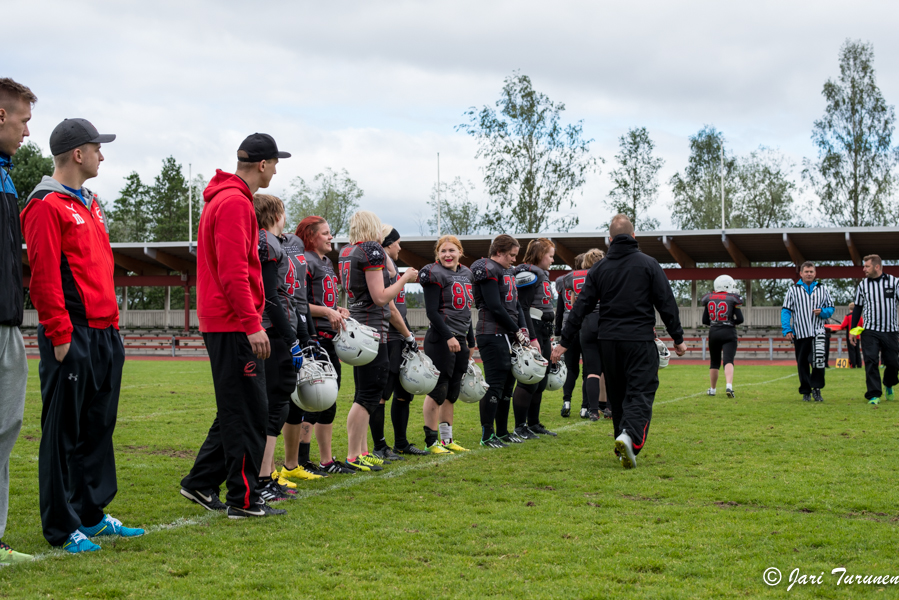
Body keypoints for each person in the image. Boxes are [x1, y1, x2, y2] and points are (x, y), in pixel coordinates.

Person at [22, 118, 144, 552]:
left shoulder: (89, 202)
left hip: (105, 332)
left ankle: (90, 514)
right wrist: (58, 334)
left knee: (97, 427)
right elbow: (43, 277)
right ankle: (60, 526)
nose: (102, 155)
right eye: (97, 148)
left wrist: (111, 328)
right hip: (71, 333)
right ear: (78, 153)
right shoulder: (44, 204)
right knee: (62, 434)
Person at [180, 133, 289, 519]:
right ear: (262, 165)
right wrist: (251, 323)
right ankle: (243, 500)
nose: (276, 169)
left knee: (236, 406)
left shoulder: (227, 198)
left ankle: (200, 481)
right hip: (232, 323)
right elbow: (232, 271)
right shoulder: (233, 203)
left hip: (225, 321)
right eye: (275, 163)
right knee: (248, 411)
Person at [552, 214, 686, 470]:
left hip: (608, 341)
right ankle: (630, 438)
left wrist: (565, 341)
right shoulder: (649, 264)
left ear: (610, 240)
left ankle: (621, 442)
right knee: (641, 391)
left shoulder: (599, 269)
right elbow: (666, 302)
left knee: (618, 393)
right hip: (638, 339)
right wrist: (677, 338)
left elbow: (581, 306)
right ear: (634, 237)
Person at [253, 194, 321, 504]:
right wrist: (291, 338)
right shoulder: (267, 241)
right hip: (273, 330)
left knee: (277, 406)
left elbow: (289, 298)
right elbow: (271, 296)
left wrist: (301, 333)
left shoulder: (275, 242)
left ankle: (264, 476)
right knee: (273, 407)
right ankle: (261, 477)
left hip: (282, 328)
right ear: (275, 213)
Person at [338, 211, 417, 471]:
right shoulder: (371, 249)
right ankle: (353, 455)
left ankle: (360, 450)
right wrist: (405, 279)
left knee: (364, 394)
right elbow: (381, 297)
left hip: (359, 327)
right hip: (372, 331)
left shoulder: (349, 250)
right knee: (369, 395)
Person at [285, 216, 356, 475]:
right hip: (314, 338)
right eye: (325, 233)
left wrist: (334, 309)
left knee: (327, 400)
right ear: (311, 235)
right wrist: (327, 312)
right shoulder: (304, 260)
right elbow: (299, 302)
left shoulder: (326, 262)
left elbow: (318, 300)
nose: (330, 238)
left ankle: (322, 460)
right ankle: (305, 460)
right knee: (315, 399)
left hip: (328, 338)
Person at [0, 78, 35, 565]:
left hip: (7, 322)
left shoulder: (5, 176)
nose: (28, 130)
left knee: (6, 429)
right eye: (24, 119)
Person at [471, 235, 530, 448]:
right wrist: (516, 330)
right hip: (492, 332)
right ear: (498, 252)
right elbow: (495, 306)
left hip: (507, 334)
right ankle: (488, 434)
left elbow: (516, 306)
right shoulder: (487, 267)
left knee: (507, 386)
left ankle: (503, 431)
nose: (514, 259)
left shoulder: (508, 271)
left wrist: (521, 329)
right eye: (511, 255)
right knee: (495, 385)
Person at [419, 235, 476, 454]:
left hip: (460, 337)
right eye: (443, 251)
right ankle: (431, 441)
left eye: (452, 250)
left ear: (460, 252)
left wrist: (469, 339)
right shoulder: (433, 273)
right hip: (441, 338)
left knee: (452, 391)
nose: (447, 255)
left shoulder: (466, 273)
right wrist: (450, 336)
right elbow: (432, 312)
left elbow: (466, 312)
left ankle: (446, 439)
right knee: (438, 389)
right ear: (437, 254)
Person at [371, 225, 416, 461]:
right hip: (389, 335)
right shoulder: (380, 266)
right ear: (389, 243)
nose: (400, 246)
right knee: (382, 393)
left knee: (403, 392)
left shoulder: (392, 266)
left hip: (398, 335)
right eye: (398, 242)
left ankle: (400, 443)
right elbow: (390, 308)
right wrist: (409, 335)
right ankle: (380, 446)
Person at [512, 238, 558, 438]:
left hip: (544, 330)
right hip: (534, 329)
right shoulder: (528, 274)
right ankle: (520, 426)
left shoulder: (541, 274)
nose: (553, 259)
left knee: (540, 379)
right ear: (540, 255)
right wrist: (531, 337)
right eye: (550, 255)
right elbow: (523, 306)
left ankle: (534, 423)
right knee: (529, 378)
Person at [781, 262, 834, 403]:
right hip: (800, 332)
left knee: (818, 362)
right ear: (801, 273)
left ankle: (817, 389)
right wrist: (787, 329)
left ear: (815, 273)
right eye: (806, 271)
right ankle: (806, 391)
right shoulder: (793, 290)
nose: (809, 274)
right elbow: (786, 310)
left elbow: (831, 308)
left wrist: (822, 312)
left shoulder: (823, 289)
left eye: (811, 271)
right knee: (802, 362)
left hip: (818, 332)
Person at [849, 255, 898, 405]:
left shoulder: (894, 282)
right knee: (870, 361)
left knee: (893, 363)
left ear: (877, 267)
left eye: (867, 266)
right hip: (870, 330)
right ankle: (874, 394)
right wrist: (853, 330)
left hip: (890, 330)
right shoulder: (863, 285)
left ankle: (888, 383)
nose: (864, 269)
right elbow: (858, 308)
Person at [575, 249, 608, 421]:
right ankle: (609, 407)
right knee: (609, 369)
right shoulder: (607, 274)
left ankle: (593, 410)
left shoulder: (576, 278)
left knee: (592, 371)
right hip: (605, 321)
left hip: (586, 323)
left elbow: (576, 304)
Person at [700, 275, 744, 398]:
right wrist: (729, 323)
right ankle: (729, 385)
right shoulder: (733, 298)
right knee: (728, 360)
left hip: (714, 332)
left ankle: (713, 389)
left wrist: (716, 324)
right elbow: (740, 319)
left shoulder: (709, 298)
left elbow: (704, 320)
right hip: (729, 332)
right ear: (726, 285)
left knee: (714, 362)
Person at [554, 253, 585, 418]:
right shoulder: (591, 278)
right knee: (589, 369)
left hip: (569, 328)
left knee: (571, 369)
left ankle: (566, 401)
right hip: (586, 327)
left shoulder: (563, 280)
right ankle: (586, 407)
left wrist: (558, 332)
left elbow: (559, 310)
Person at [838, 303, 863, 368]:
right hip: (857, 335)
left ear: (849, 308)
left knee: (851, 351)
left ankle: (853, 364)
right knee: (857, 350)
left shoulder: (848, 316)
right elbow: (861, 325)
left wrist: (842, 324)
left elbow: (843, 325)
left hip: (850, 335)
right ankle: (859, 364)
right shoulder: (859, 317)